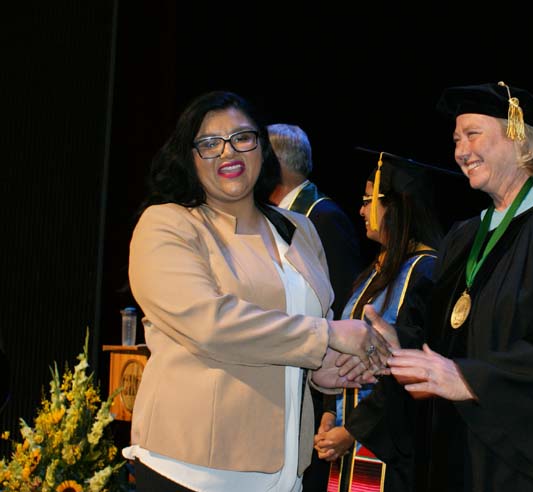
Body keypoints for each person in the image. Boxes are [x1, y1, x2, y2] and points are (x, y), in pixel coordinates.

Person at [368, 81, 533, 491]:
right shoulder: (464, 236)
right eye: (456, 140)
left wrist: (472, 379)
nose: (460, 151)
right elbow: (440, 331)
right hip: (462, 454)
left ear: (518, 136)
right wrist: (396, 344)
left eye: (472, 134)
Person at [123, 90, 390, 492]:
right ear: (189, 157)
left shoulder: (300, 229)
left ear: (263, 149)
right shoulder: (168, 224)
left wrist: (330, 367)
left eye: (242, 138)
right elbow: (212, 324)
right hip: (194, 468)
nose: (227, 151)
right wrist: (327, 337)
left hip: (285, 468)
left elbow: (305, 336)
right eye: (209, 143)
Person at [315, 149, 451, 491]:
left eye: (368, 201)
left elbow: (411, 365)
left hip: (389, 445)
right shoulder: (373, 273)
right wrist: (330, 412)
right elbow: (344, 349)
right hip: (348, 438)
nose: (361, 210)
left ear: (397, 206)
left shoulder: (426, 271)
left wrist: (353, 431)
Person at [267, 123, 363, 492]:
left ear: (276, 163)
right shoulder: (269, 218)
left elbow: (339, 310)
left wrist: (329, 406)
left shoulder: (323, 218)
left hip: (314, 386)